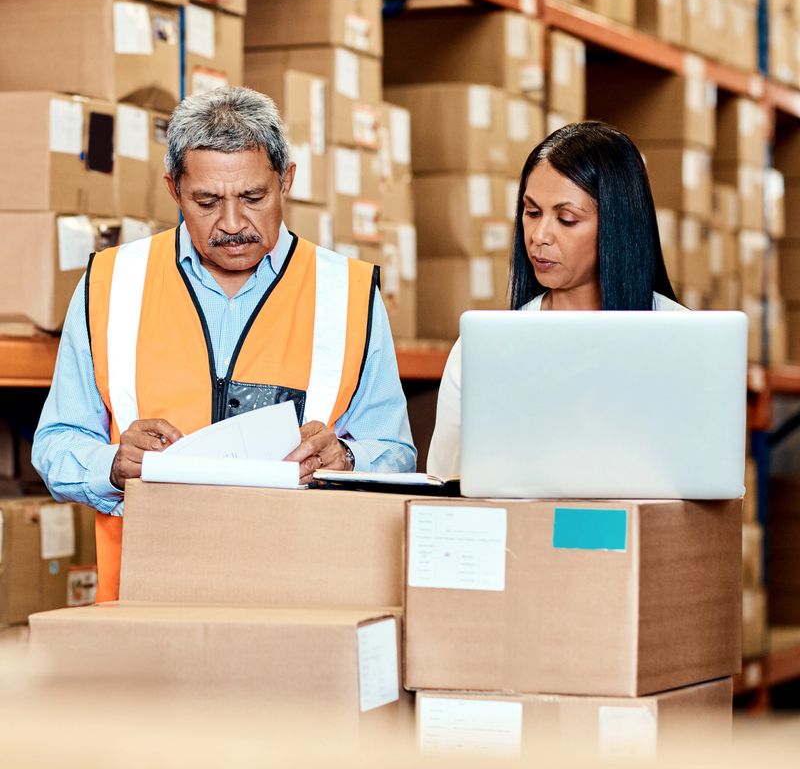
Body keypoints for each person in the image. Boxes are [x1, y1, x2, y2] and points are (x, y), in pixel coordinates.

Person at [33, 86, 416, 602]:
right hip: (144, 603)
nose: (233, 224)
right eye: (207, 202)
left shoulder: (348, 293)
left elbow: (396, 453)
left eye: (254, 198)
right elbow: (56, 443)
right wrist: (111, 465)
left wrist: (347, 459)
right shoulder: (110, 283)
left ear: (287, 181)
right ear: (174, 188)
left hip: (304, 598)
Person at [427, 120, 684, 480]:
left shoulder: (681, 341)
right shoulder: (485, 348)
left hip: (642, 534)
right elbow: (446, 482)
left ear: (617, 225)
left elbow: (709, 485)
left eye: (566, 219)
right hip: (520, 534)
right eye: (532, 213)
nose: (539, 236)